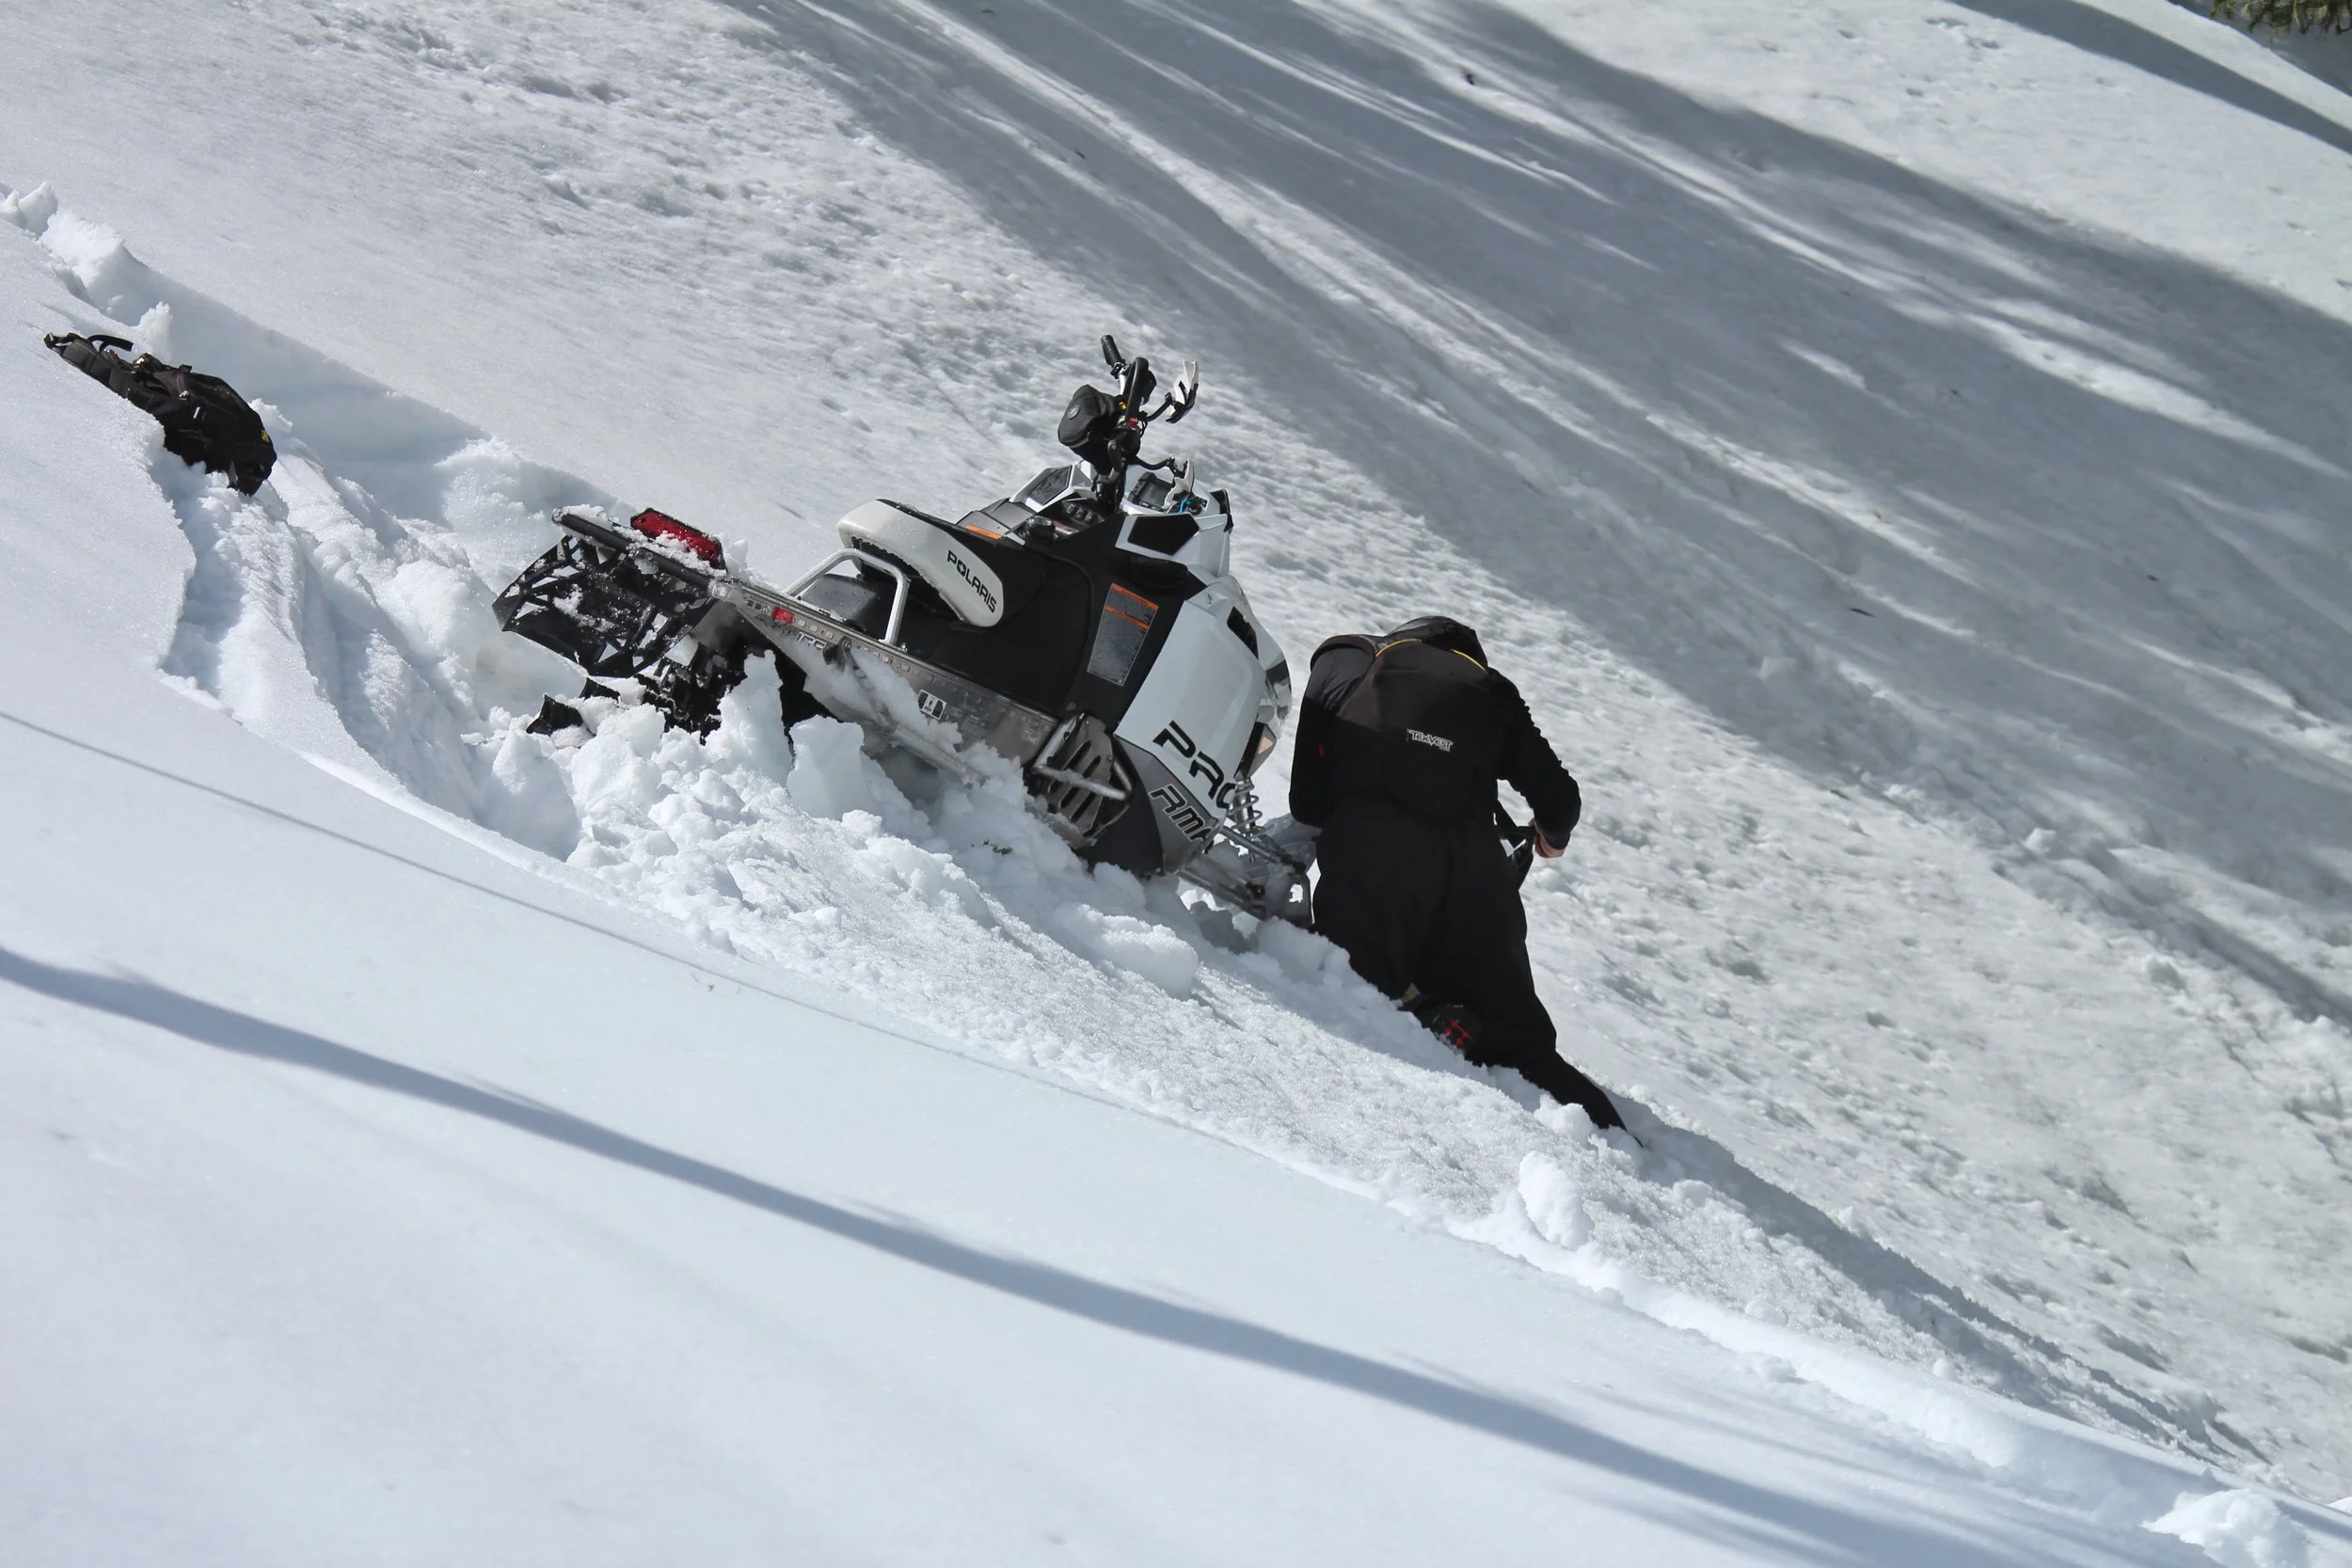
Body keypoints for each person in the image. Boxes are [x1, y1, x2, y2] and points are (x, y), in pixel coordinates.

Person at [1288, 616, 1625, 1130]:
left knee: (1357, 998)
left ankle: (1414, 1028)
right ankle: (1617, 1142)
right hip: (1473, 872)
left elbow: (1306, 802)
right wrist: (1549, 837)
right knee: (1523, 1044)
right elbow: (1560, 802)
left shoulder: (1344, 660)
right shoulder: (1492, 690)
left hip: (1372, 852)